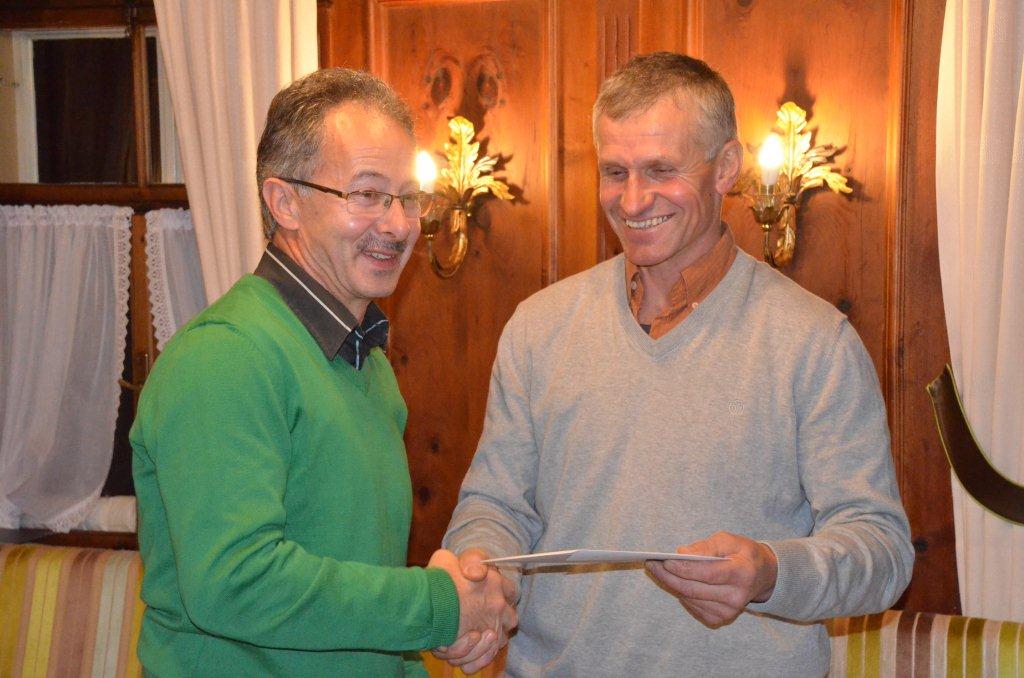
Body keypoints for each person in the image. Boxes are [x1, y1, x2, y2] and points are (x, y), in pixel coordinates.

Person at [439, 52, 914, 676]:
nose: (633, 200)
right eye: (615, 172)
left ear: (726, 168)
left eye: (661, 170)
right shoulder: (539, 326)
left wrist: (771, 573)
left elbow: (881, 550)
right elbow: (496, 505)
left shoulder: (816, 342)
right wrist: (477, 572)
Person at [130, 68, 516, 677]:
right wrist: (437, 605)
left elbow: (362, 606)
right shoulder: (224, 356)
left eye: (407, 197)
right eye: (366, 194)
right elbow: (235, 582)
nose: (398, 224)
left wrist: (438, 624)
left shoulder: (366, 361)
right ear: (284, 202)